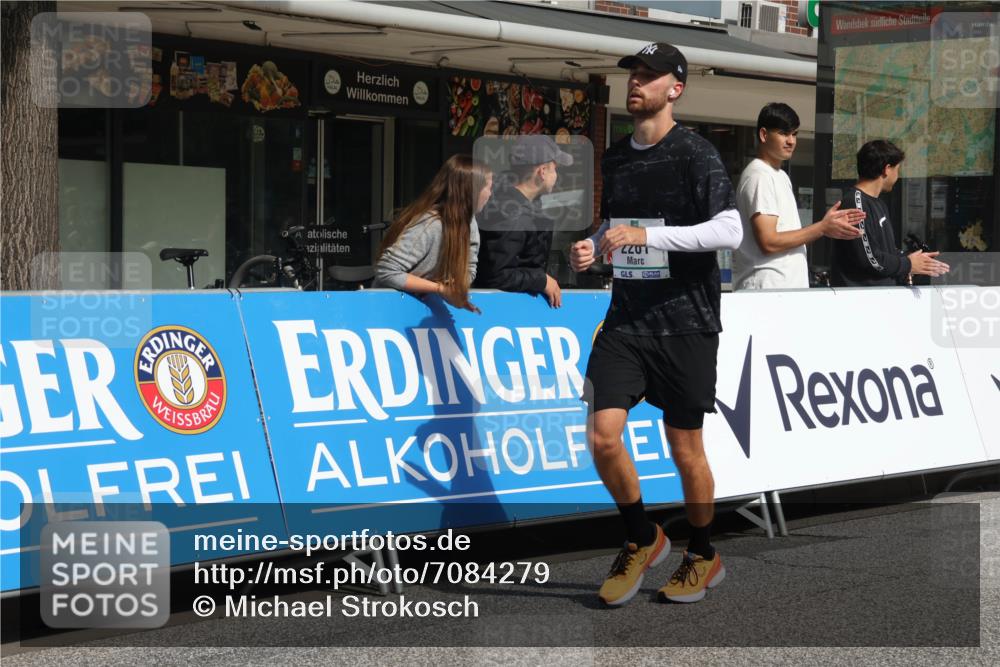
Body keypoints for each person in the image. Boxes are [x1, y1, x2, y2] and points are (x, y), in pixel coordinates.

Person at [570, 42, 741, 606]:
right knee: (602, 436)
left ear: (676, 88)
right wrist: (593, 245)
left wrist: (649, 236)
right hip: (626, 321)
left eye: (649, 75)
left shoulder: (697, 154)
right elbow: (615, 226)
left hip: (687, 322)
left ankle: (703, 553)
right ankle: (642, 536)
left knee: (684, 449)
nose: (636, 82)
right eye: (633, 74)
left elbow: (729, 232)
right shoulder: (616, 157)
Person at [733, 103, 866, 289]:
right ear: (764, 135)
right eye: (783, 133)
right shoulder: (759, 176)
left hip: (782, 290)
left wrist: (825, 227)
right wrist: (822, 228)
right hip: (767, 289)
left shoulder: (779, 175)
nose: (791, 141)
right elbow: (768, 242)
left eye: (794, 134)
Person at [373, 155, 492, 312]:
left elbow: (469, 268)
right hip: (390, 310)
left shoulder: (470, 223)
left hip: (423, 311)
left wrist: (455, 288)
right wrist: (439, 289)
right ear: (472, 190)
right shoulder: (431, 224)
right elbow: (387, 270)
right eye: (488, 187)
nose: (490, 194)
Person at [830, 140, 949, 286]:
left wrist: (912, 259)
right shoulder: (855, 203)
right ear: (887, 169)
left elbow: (884, 252)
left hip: (883, 293)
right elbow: (870, 259)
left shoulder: (878, 203)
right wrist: (908, 264)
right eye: (897, 169)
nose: (897, 176)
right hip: (861, 296)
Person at [473, 134, 571, 308]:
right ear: (542, 171)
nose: (557, 176)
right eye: (555, 169)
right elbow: (497, 276)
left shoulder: (521, 205)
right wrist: (541, 280)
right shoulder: (510, 215)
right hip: (501, 312)